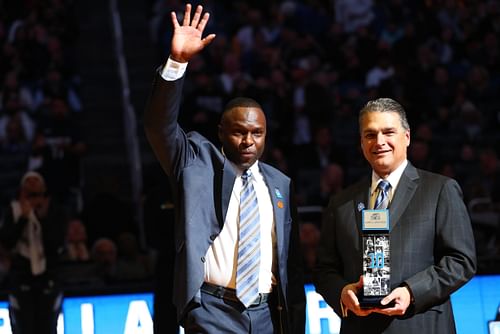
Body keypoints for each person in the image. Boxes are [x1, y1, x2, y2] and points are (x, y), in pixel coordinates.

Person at [143, 4, 305, 333]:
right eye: (239, 132)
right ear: (220, 132)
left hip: (265, 314)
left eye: (256, 133)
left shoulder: (279, 183)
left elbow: (289, 262)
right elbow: (159, 127)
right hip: (212, 310)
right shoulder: (194, 162)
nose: (248, 140)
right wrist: (177, 63)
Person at [313, 97, 476, 333]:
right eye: (370, 135)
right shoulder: (340, 203)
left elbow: (462, 261)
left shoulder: (440, 189)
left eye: (388, 132)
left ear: (407, 137)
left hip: (422, 325)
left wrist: (412, 292)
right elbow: (324, 269)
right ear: (361, 143)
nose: (379, 142)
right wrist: (342, 292)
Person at [0, 171, 66, 334]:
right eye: (29, 193)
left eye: (37, 193)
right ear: (22, 192)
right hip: (21, 276)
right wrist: (23, 218)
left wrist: (42, 218)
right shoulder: (12, 210)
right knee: (23, 327)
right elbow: (7, 243)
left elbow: (55, 244)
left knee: (48, 327)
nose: (33, 198)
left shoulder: (54, 211)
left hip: (48, 275)